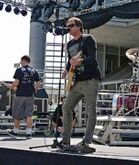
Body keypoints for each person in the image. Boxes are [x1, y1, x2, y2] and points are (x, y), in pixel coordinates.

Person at [61, 17, 101, 152]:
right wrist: (66, 70)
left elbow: (92, 58)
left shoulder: (88, 38)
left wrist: (80, 62)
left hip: (91, 79)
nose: (68, 28)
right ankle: (65, 140)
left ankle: (87, 142)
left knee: (91, 111)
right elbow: (70, 61)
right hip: (76, 81)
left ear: (78, 26)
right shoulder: (69, 44)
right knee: (66, 108)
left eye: (71, 26)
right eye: (67, 26)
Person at [7, 55, 41, 139]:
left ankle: (15, 132)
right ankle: (29, 133)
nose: (20, 62)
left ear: (23, 61)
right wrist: (35, 91)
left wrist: (11, 86)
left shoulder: (19, 70)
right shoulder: (34, 71)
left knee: (18, 114)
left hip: (20, 95)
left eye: (21, 61)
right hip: (30, 95)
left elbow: (16, 83)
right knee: (29, 115)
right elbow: (39, 83)